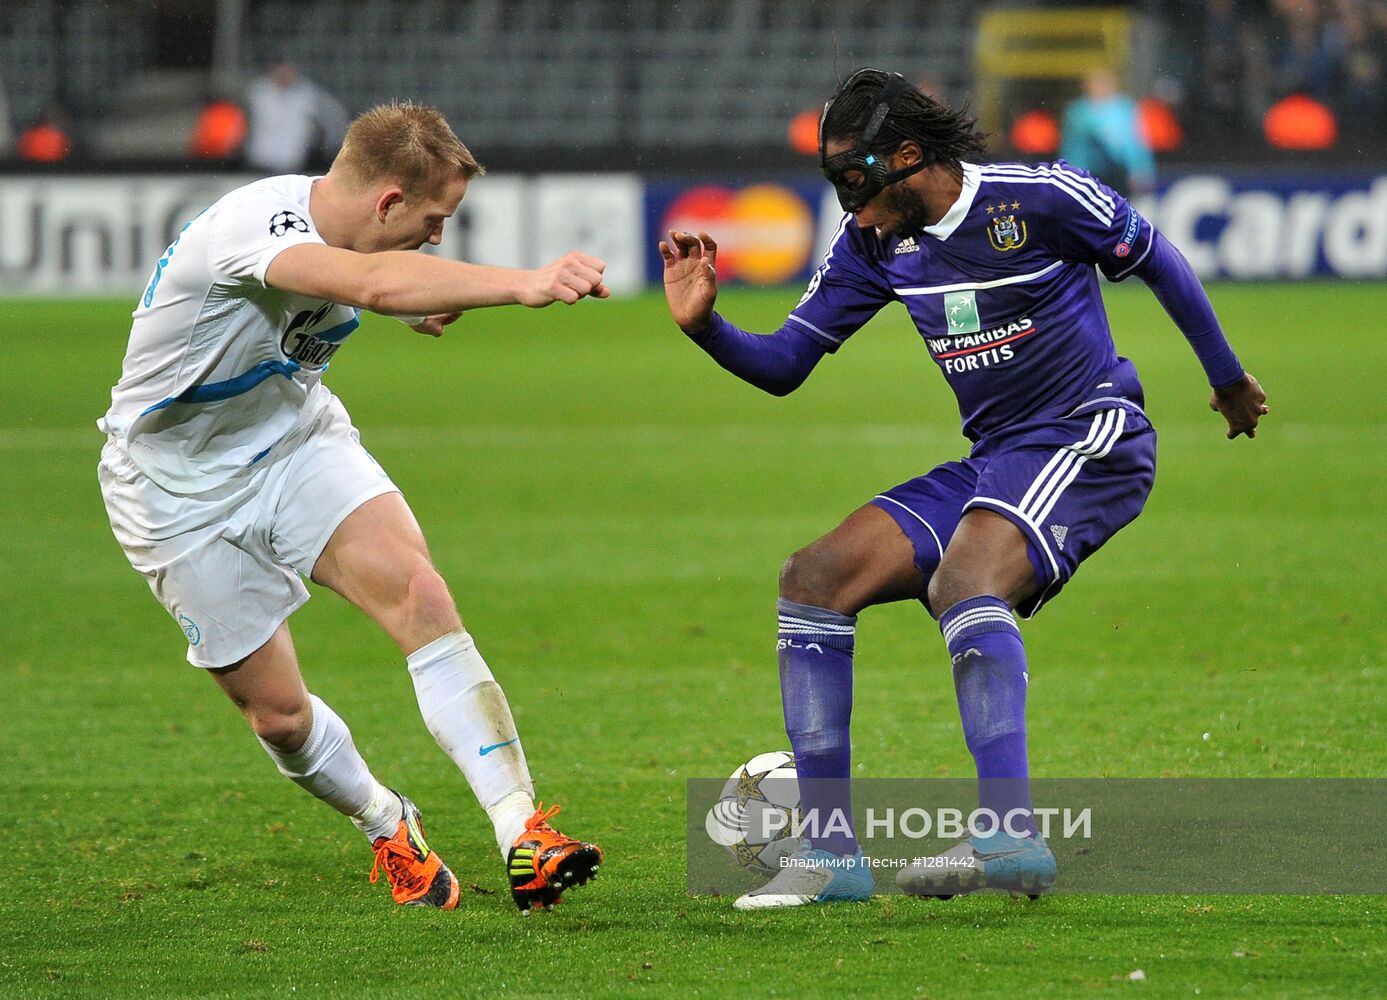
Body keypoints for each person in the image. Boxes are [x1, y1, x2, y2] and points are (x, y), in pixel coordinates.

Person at [660, 69, 1267, 910]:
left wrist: (1227, 378)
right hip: (995, 458)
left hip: (1092, 434)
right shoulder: (871, 244)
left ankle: (1010, 834)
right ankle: (831, 854)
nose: (849, 205)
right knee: (813, 578)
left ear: (908, 158)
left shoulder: (1042, 198)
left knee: (965, 578)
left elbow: (1156, 258)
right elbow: (784, 366)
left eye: (856, 182)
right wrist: (706, 329)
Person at [98, 102, 608, 913]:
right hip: (174, 489)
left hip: (296, 445)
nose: (437, 238)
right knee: (279, 719)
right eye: (432, 220)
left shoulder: (351, 237)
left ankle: (523, 831)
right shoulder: (253, 225)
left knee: (422, 597)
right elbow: (366, 278)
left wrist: (404, 305)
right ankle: (386, 823)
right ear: (387, 204)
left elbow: (366, 286)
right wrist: (527, 282)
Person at [1060, 67, 1156, 198]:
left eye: (1103, 82)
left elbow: (1136, 141)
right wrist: (1069, 172)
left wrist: (1140, 169)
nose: (1098, 87)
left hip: (1119, 171)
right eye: (1094, 83)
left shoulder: (1125, 107)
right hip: (1089, 172)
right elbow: (1072, 145)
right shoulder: (1078, 110)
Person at [243, 57, 349, 174]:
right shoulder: (257, 93)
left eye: (287, 71)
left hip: (292, 162)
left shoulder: (308, 95)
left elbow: (334, 120)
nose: (283, 75)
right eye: (279, 71)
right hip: (259, 161)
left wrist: (330, 149)